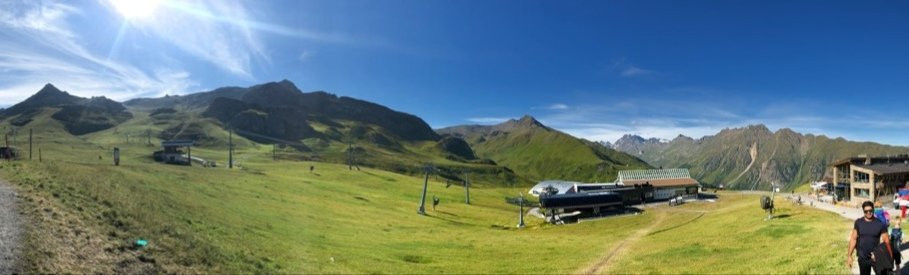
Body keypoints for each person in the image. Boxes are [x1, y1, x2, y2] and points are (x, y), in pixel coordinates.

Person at [849, 200, 894, 275]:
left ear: (873, 209)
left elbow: (887, 241)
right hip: (863, 257)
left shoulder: (880, 224)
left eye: (870, 210)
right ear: (863, 211)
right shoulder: (858, 222)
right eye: (866, 211)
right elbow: (853, 239)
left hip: (876, 257)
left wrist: (891, 257)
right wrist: (849, 256)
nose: (868, 212)